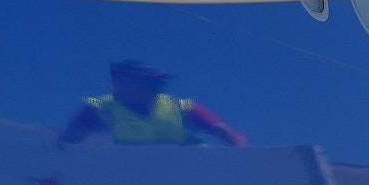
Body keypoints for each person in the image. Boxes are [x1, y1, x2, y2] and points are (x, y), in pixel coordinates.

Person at [58, 60, 248, 145]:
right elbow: (68, 143)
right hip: (140, 184)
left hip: (190, 180)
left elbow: (230, 135)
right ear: (123, 83)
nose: (158, 88)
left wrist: (239, 162)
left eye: (159, 83)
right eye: (150, 82)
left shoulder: (184, 107)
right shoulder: (101, 109)